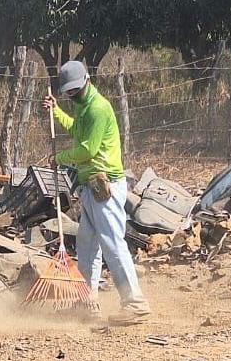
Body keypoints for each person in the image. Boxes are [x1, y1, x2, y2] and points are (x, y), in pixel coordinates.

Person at [44, 60, 151, 325]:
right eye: (68, 92)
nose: (73, 95)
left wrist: (61, 157)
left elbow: (87, 151)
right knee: (87, 245)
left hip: (106, 187)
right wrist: (57, 112)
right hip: (90, 187)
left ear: (87, 81)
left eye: (76, 91)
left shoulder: (98, 109)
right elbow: (76, 130)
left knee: (113, 244)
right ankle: (86, 303)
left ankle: (135, 303)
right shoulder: (83, 108)